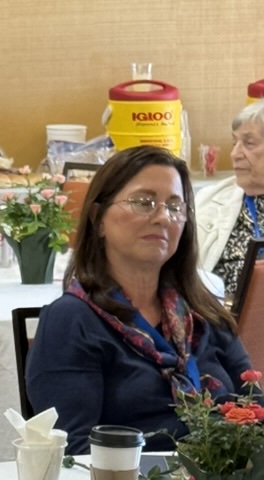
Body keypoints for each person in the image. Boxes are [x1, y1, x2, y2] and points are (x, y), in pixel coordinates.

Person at [26, 145, 251, 455]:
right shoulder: (72, 321)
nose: (163, 217)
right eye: (144, 203)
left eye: (175, 206)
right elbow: (73, 453)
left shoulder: (203, 312)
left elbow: (254, 410)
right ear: (98, 218)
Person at [196, 99, 264, 300]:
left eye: (249, 144)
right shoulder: (208, 200)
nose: (235, 154)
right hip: (220, 314)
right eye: (235, 143)